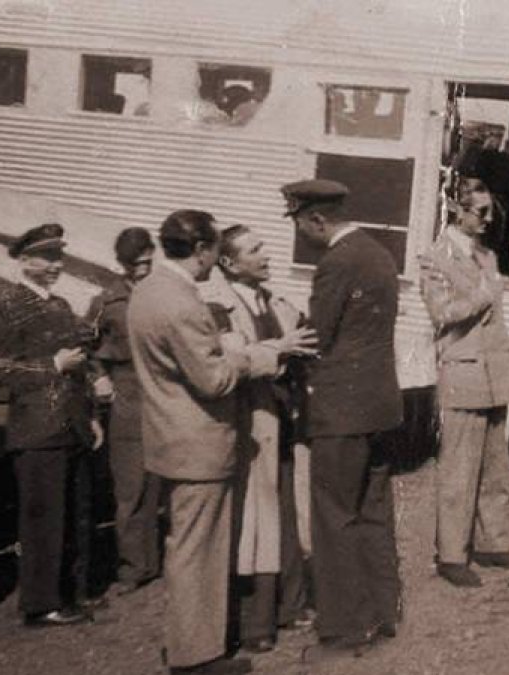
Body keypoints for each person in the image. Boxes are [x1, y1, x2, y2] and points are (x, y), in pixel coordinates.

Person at [128, 210, 267, 675]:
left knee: (187, 546)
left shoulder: (147, 289)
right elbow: (213, 380)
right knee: (197, 552)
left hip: (170, 438)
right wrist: (247, 357)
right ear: (205, 250)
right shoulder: (184, 301)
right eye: (213, 251)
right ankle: (195, 659)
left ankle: (193, 647)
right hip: (200, 444)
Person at [282, 179, 403, 657]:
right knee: (373, 511)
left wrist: (284, 349)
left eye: (297, 222)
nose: (300, 232)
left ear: (316, 218)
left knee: (334, 519)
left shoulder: (335, 262)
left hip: (340, 410)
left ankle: (344, 627)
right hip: (378, 406)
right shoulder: (378, 253)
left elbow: (319, 337)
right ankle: (383, 611)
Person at [202, 225, 317, 654]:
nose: (265, 256)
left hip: (282, 421)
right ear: (229, 263)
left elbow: (305, 334)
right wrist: (280, 348)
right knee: (254, 524)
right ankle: (254, 623)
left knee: (285, 514)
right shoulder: (218, 304)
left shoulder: (273, 300)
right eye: (255, 251)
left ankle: (290, 606)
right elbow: (231, 359)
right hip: (248, 426)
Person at [0, 223, 104, 629]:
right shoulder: (8, 306)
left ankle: (71, 593)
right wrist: (53, 365)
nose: (55, 266)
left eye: (59, 258)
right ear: (23, 261)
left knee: (73, 514)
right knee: (43, 519)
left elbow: (80, 366)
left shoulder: (60, 306)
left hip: (70, 426)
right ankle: (40, 604)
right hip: (36, 430)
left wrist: (89, 415)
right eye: (46, 258)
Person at [418, 176, 509, 588]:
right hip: (464, 371)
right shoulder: (434, 258)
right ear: (456, 210)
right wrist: (485, 293)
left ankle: (492, 540)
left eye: (490, 212)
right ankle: (452, 553)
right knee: (459, 468)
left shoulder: (488, 256)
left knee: (496, 465)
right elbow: (442, 313)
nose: (487, 219)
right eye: (480, 212)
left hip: (493, 371)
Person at [86, 227, 162, 595]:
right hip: (128, 394)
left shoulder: (164, 294)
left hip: (163, 394)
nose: (144, 269)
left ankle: (154, 561)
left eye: (148, 261)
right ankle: (133, 567)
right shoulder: (107, 301)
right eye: (136, 264)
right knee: (131, 485)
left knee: (159, 482)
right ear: (122, 264)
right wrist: (100, 378)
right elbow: (86, 346)